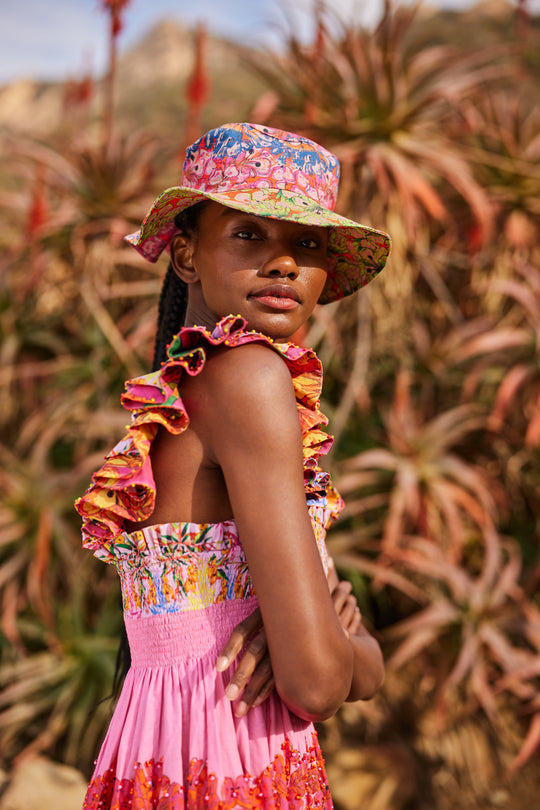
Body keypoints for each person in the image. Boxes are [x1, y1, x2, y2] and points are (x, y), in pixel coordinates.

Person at [75, 122, 391, 809]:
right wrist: (358, 647)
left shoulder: (182, 397)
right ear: (186, 255)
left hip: (153, 755)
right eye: (249, 234)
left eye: (306, 244)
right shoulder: (250, 379)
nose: (283, 263)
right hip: (232, 760)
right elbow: (316, 682)